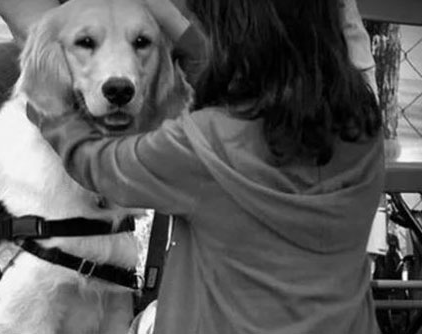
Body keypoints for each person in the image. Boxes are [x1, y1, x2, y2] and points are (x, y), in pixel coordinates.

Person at [0, 0, 379, 328]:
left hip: (199, 65)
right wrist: (59, 61)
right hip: (80, 40)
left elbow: (103, 160)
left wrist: (71, 104)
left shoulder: (206, 143)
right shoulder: (367, 144)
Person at [29, 0, 384, 333]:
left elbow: (97, 163)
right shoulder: (362, 132)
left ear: (232, 40)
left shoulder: (204, 149)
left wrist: (49, 103)